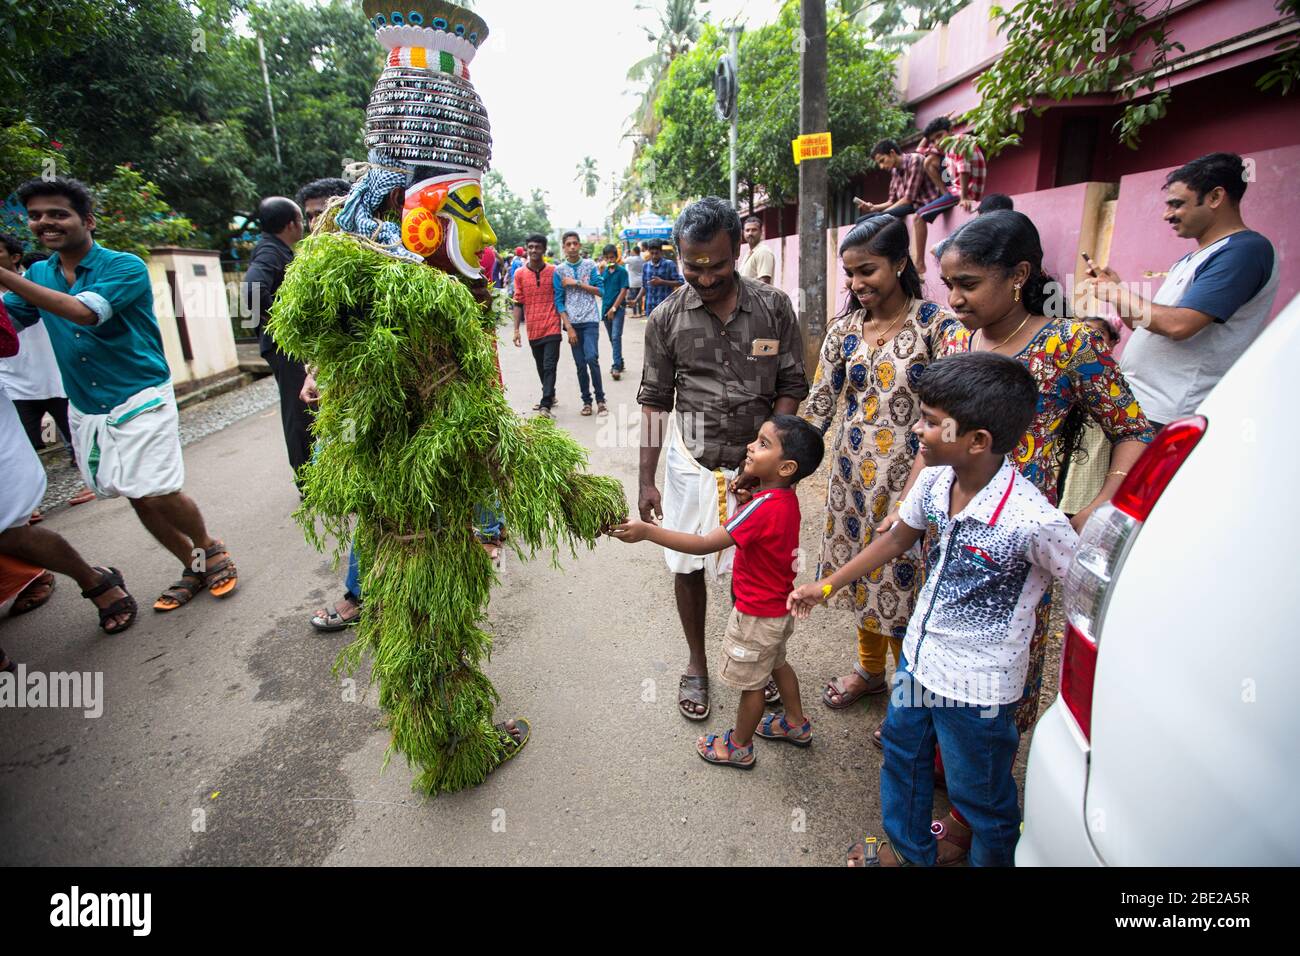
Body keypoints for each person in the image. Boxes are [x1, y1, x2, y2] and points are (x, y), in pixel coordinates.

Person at [896, 209, 1153, 862]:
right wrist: (906, 506)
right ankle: (948, 783)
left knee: (998, 680)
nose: (953, 301)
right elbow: (935, 441)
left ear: (1018, 276)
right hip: (951, 534)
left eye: (968, 284)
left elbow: (1134, 428)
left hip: (1018, 553)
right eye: (947, 285)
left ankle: (970, 818)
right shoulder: (962, 342)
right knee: (939, 661)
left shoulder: (1068, 347)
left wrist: (1100, 504)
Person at [791, 352, 1079, 867]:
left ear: (978, 441)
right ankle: (909, 850)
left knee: (982, 800)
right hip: (918, 664)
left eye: (929, 422)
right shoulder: (934, 482)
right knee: (903, 757)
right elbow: (899, 537)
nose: (917, 431)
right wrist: (828, 586)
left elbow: (1081, 584)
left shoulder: (1032, 520)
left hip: (978, 688)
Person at [0, 177, 239, 613]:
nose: (45, 223)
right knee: (136, 492)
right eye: (35, 216)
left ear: (86, 220)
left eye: (58, 214)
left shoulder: (123, 266)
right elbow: (10, 323)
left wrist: (4, 276)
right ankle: (194, 564)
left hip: (139, 393)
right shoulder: (38, 274)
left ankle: (209, 545)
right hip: (87, 404)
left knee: (159, 489)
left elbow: (84, 313)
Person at [637, 197, 809, 722]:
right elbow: (653, 400)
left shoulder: (774, 307)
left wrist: (767, 460)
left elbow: (791, 385)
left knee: (755, 572)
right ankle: (697, 661)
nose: (705, 276)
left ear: (738, 249)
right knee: (688, 562)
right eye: (692, 265)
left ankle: (757, 658)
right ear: (678, 254)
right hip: (692, 463)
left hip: (757, 468)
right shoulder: (666, 319)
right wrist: (646, 479)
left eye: (716, 263)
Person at [802, 215, 951, 716]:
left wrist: (928, 482)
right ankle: (869, 672)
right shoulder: (844, 329)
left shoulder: (936, 327)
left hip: (918, 479)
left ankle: (909, 698)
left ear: (901, 263)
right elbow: (819, 404)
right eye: (850, 274)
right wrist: (780, 463)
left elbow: (953, 411)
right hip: (851, 481)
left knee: (907, 585)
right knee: (862, 575)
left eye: (867, 271)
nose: (857, 284)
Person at [612, 415, 823, 768]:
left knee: (752, 685)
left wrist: (648, 533)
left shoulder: (759, 507)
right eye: (756, 439)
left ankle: (738, 746)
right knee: (778, 664)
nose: (750, 448)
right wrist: (747, 499)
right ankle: (796, 723)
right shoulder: (784, 500)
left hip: (755, 615)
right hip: (778, 609)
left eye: (762, 444)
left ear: (786, 467)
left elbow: (704, 543)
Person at [1083, 152, 1279, 431]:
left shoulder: (1244, 251)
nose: (1167, 215)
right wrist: (1119, 290)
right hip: (1141, 405)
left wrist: (1116, 293)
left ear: (1215, 197)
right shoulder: (1193, 258)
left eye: (1177, 204)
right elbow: (1145, 325)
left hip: (1168, 415)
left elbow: (1179, 325)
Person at [0, 298, 137, 637]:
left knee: (9, 530)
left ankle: (95, 581)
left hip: (51, 387)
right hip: (23, 390)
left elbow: (7, 338)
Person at [0, 233, 95, 514]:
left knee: (75, 436)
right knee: (22, 446)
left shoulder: (40, 280)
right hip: (14, 381)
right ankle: (25, 507)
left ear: (14, 256)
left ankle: (89, 480)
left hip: (56, 376)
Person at [244, 195, 310, 489]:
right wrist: (280, 327)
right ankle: (307, 481)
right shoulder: (270, 252)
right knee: (298, 411)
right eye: (302, 218)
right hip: (286, 346)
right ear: (290, 224)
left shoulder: (277, 250)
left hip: (286, 344)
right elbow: (251, 290)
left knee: (308, 408)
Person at [911, 117, 987, 276]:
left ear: (950, 130)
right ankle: (946, 195)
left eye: (939, 135)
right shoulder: (946, 146)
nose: (937, 141)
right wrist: (927, 135)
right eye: (933, 139)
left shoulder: (958, 141)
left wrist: (965, 197)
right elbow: (918, 155)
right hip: (955, 188)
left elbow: (964, 168)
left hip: (963, 191)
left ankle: (919, 265)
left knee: (918, 217)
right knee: (928, 161)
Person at [513, 233, 576, 417]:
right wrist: (516, 330)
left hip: (551, 326)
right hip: (533, 328)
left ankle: (545, 404)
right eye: (530, 247)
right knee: (541, 366)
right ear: (526, 249)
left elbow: (561, 297)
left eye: (537, 247)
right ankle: (551, 393)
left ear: (544, 250)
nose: (533, 250)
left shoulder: (554, 271)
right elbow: (518, 302)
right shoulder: (519, 274)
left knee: (549, 365)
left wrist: (567, 322)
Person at [853, 139, 942, 268]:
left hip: (922, 203)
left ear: (892, 153)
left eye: (882, 160)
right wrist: (873, 207)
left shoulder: (915, 160)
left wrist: (882, 214)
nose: (882, 166)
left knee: (878, 219)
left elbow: (908, 198)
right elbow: (892, 201)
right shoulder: (895, 171)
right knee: (862, 220)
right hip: (907, 206)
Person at [554, 231, 607, 416]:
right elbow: (559, 301)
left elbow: (600, 291)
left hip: (590, 319)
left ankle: (601, 400)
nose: (572, 247)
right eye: (568, 244)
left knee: (592, 358)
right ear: (564, 247)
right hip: (573, 324)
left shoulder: (590, 265)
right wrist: (568, 328)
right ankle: (586, 402)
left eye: (575, 243)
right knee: (580, 364)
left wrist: (576, 283)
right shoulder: (559, 270)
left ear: (580, 245)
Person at [596, 243, 628, 380]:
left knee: (615, 336)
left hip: (618, 309)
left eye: (612, 257)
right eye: (608, 258)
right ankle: (619, 361)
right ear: (604, 258)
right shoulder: (604, 273)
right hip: (605, 310)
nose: (610, 260)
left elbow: (623, 290)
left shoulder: (622, 272)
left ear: (616, 257)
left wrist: (614, 308)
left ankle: (616, 366)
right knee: (612, 338)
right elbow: (600, 290)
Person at [641, 241, 683, 316]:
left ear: (661, 252)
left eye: (656, 253)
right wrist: (636, 300)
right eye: (652, 253)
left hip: (666, 306)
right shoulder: (645, 266)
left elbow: (680, 282)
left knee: (667, 327)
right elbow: (644, 286)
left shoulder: (669, 264)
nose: (654, 256)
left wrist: (662, 282)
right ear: (648, 253)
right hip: (650, 306)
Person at [739, 214, 776, 284]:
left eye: (754, 230)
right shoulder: (749, 253)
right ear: (743, 233)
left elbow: (764, 284)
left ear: (761, 232)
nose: (750, 233)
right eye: (747, 230)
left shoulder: (763, 252)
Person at [625, 241, 645, 316]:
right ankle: (640, 313)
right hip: (640, 281)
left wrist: (627, 254)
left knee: (633, 298)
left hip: (633, 282)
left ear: (634, 251)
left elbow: (623, 260)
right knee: (639, 298)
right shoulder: (642, 259)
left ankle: (634, 313)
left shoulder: (631, 259)